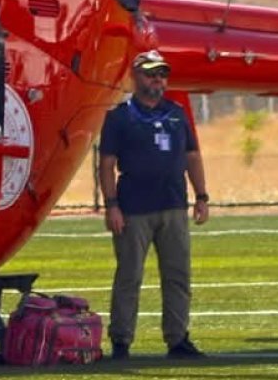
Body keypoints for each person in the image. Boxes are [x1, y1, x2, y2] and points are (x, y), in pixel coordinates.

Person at [98, 49, 209, 360]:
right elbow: (106, 164)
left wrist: (201, 196)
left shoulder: (176, 113)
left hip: (173, 205)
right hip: (133, 209)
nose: (158, 79)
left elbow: (192, 156)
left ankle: (178, 338)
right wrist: (111, 205)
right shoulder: (119, 117)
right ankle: (121, 340)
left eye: (162, 74)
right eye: (151, 73)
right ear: (136, 76)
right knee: (129, 276)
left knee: (177, 275)